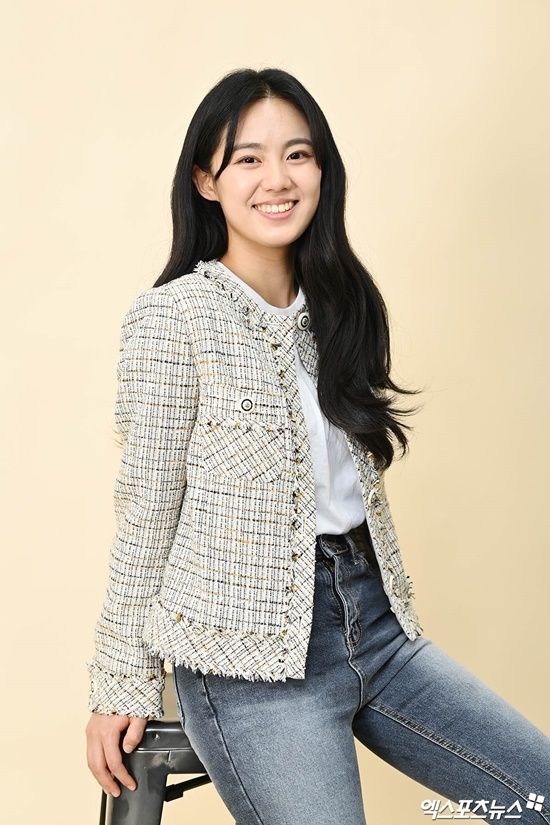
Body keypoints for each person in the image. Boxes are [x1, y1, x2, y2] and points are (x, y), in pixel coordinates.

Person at [85, 67, 550, 825]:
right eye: (248, 159)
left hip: (376, 627)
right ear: (206, 181)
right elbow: (146, 510)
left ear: (322, 171)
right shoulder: (174, 319)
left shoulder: (341, 306)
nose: (278, 179)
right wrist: (119, 684)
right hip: (249, 667)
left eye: (297, 155)